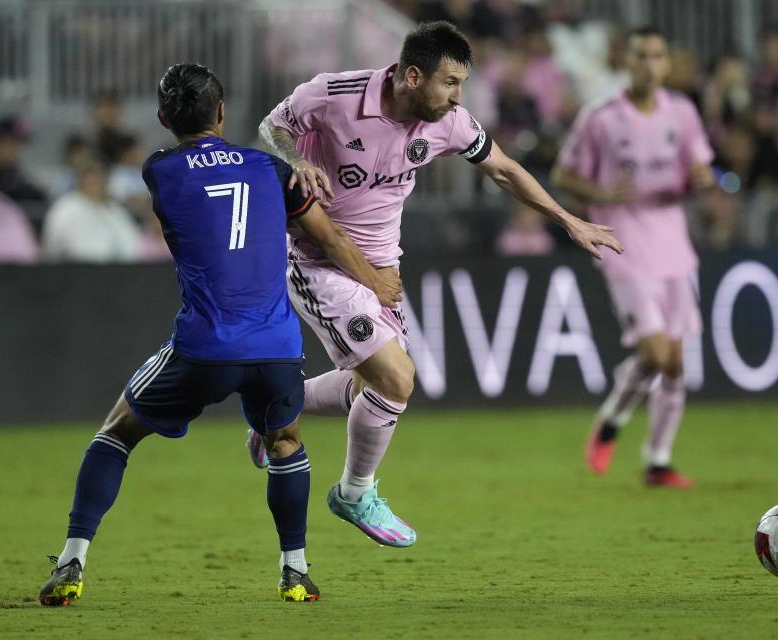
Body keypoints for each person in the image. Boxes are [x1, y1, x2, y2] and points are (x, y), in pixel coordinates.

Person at [38, 63, 402, 606]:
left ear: (164, 118)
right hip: (277, 348)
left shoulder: (160, 170)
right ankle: (295, 573)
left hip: (205, 346)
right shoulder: (274, 171)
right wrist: (376, 280)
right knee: (285, 443)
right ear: (223, 112)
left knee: (116, 432)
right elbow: (329, 238)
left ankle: (71, 561)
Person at [251, 20, 622, 547]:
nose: (457, 97)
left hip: (385, 269)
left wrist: (568, 219)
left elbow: (504, 170)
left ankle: (273, 408)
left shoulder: (450, 123)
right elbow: (271, 126)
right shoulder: (335, 95)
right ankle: (355, 493)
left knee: (371, 389)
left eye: (462, 84)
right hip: (320, 261)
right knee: (398, 379)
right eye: (449, 83)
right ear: (412, 76)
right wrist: (297, 160)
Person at [551, 26, 715, 488]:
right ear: (628, 63)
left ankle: (658, 460)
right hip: (622, 244)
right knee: (656, 353)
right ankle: (611, 420)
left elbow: (698, 168)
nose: (649, 64)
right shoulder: (601, 117)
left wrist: (701, 179)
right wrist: (602, 192)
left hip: (674, 247)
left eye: (658, 55)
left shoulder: (681, 113)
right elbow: (564, 173)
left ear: (666, 63)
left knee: (675, 363)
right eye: (641, 55)